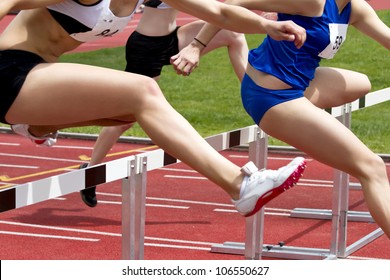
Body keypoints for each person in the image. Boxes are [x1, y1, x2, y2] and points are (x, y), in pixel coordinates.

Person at [1, 0, 308, 218]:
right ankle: (241, 186)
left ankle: (35, 124)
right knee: (143, 89)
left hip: (35, 75)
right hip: (9, 70)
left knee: (130, 113)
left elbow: (219, 11)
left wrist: (266, 24)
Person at [173, 0, 390, 238]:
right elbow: (233, 4)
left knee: (362, 83)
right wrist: (196, 45)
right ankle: (295, 114)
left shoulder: (355, 8)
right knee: (372, 168)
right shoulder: (311, 2)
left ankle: (301, 112)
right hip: (270, 96)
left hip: (300, 84)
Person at [78, 0, 250, 207]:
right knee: (125, 118)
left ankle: (254, 95)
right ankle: (91, 171)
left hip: (173, 37)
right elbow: (215, 11)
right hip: (146, 47)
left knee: (234, 34)